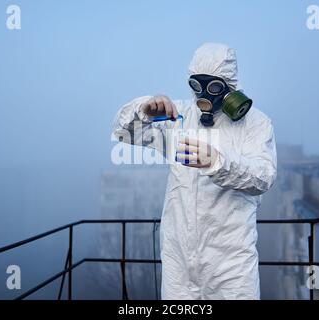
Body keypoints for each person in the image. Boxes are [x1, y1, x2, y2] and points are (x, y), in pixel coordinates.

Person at [112, 42, 277, 299]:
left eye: (214, 86)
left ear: (230, 87)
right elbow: (124, 134)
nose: (204, 94)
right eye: (197, 85)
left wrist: (218, 161)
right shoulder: (178, 118)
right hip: (178, 263)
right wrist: (143, 110)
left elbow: (263, 177)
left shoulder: (255, 123)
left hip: (231, 267)